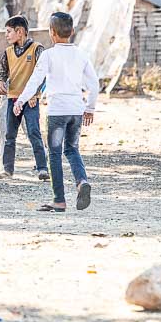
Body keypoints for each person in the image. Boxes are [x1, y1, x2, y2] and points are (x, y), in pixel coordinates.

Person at [14, 12, 98, 212]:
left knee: (54, 153)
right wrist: (90, 108)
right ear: (72, 31)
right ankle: (81, 181)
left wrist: (20, 100)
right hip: (76, 112)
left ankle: (59, 200)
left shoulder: (48, 55)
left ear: (52, 33)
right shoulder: (81, 54)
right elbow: (94, 84)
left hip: (57, 113)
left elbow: (35, 80)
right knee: (72, 149)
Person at [0, 15, 49, 181]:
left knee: (34, 132)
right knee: (9, 135)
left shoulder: (37, 49)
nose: (6, 35)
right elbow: (2, 73)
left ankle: (42, 169)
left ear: (20, 32)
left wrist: (35, 93)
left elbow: (43, 73)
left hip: (30, 100)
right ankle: (7, 170)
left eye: (9, 31)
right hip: (12, 99)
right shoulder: (8, 52)